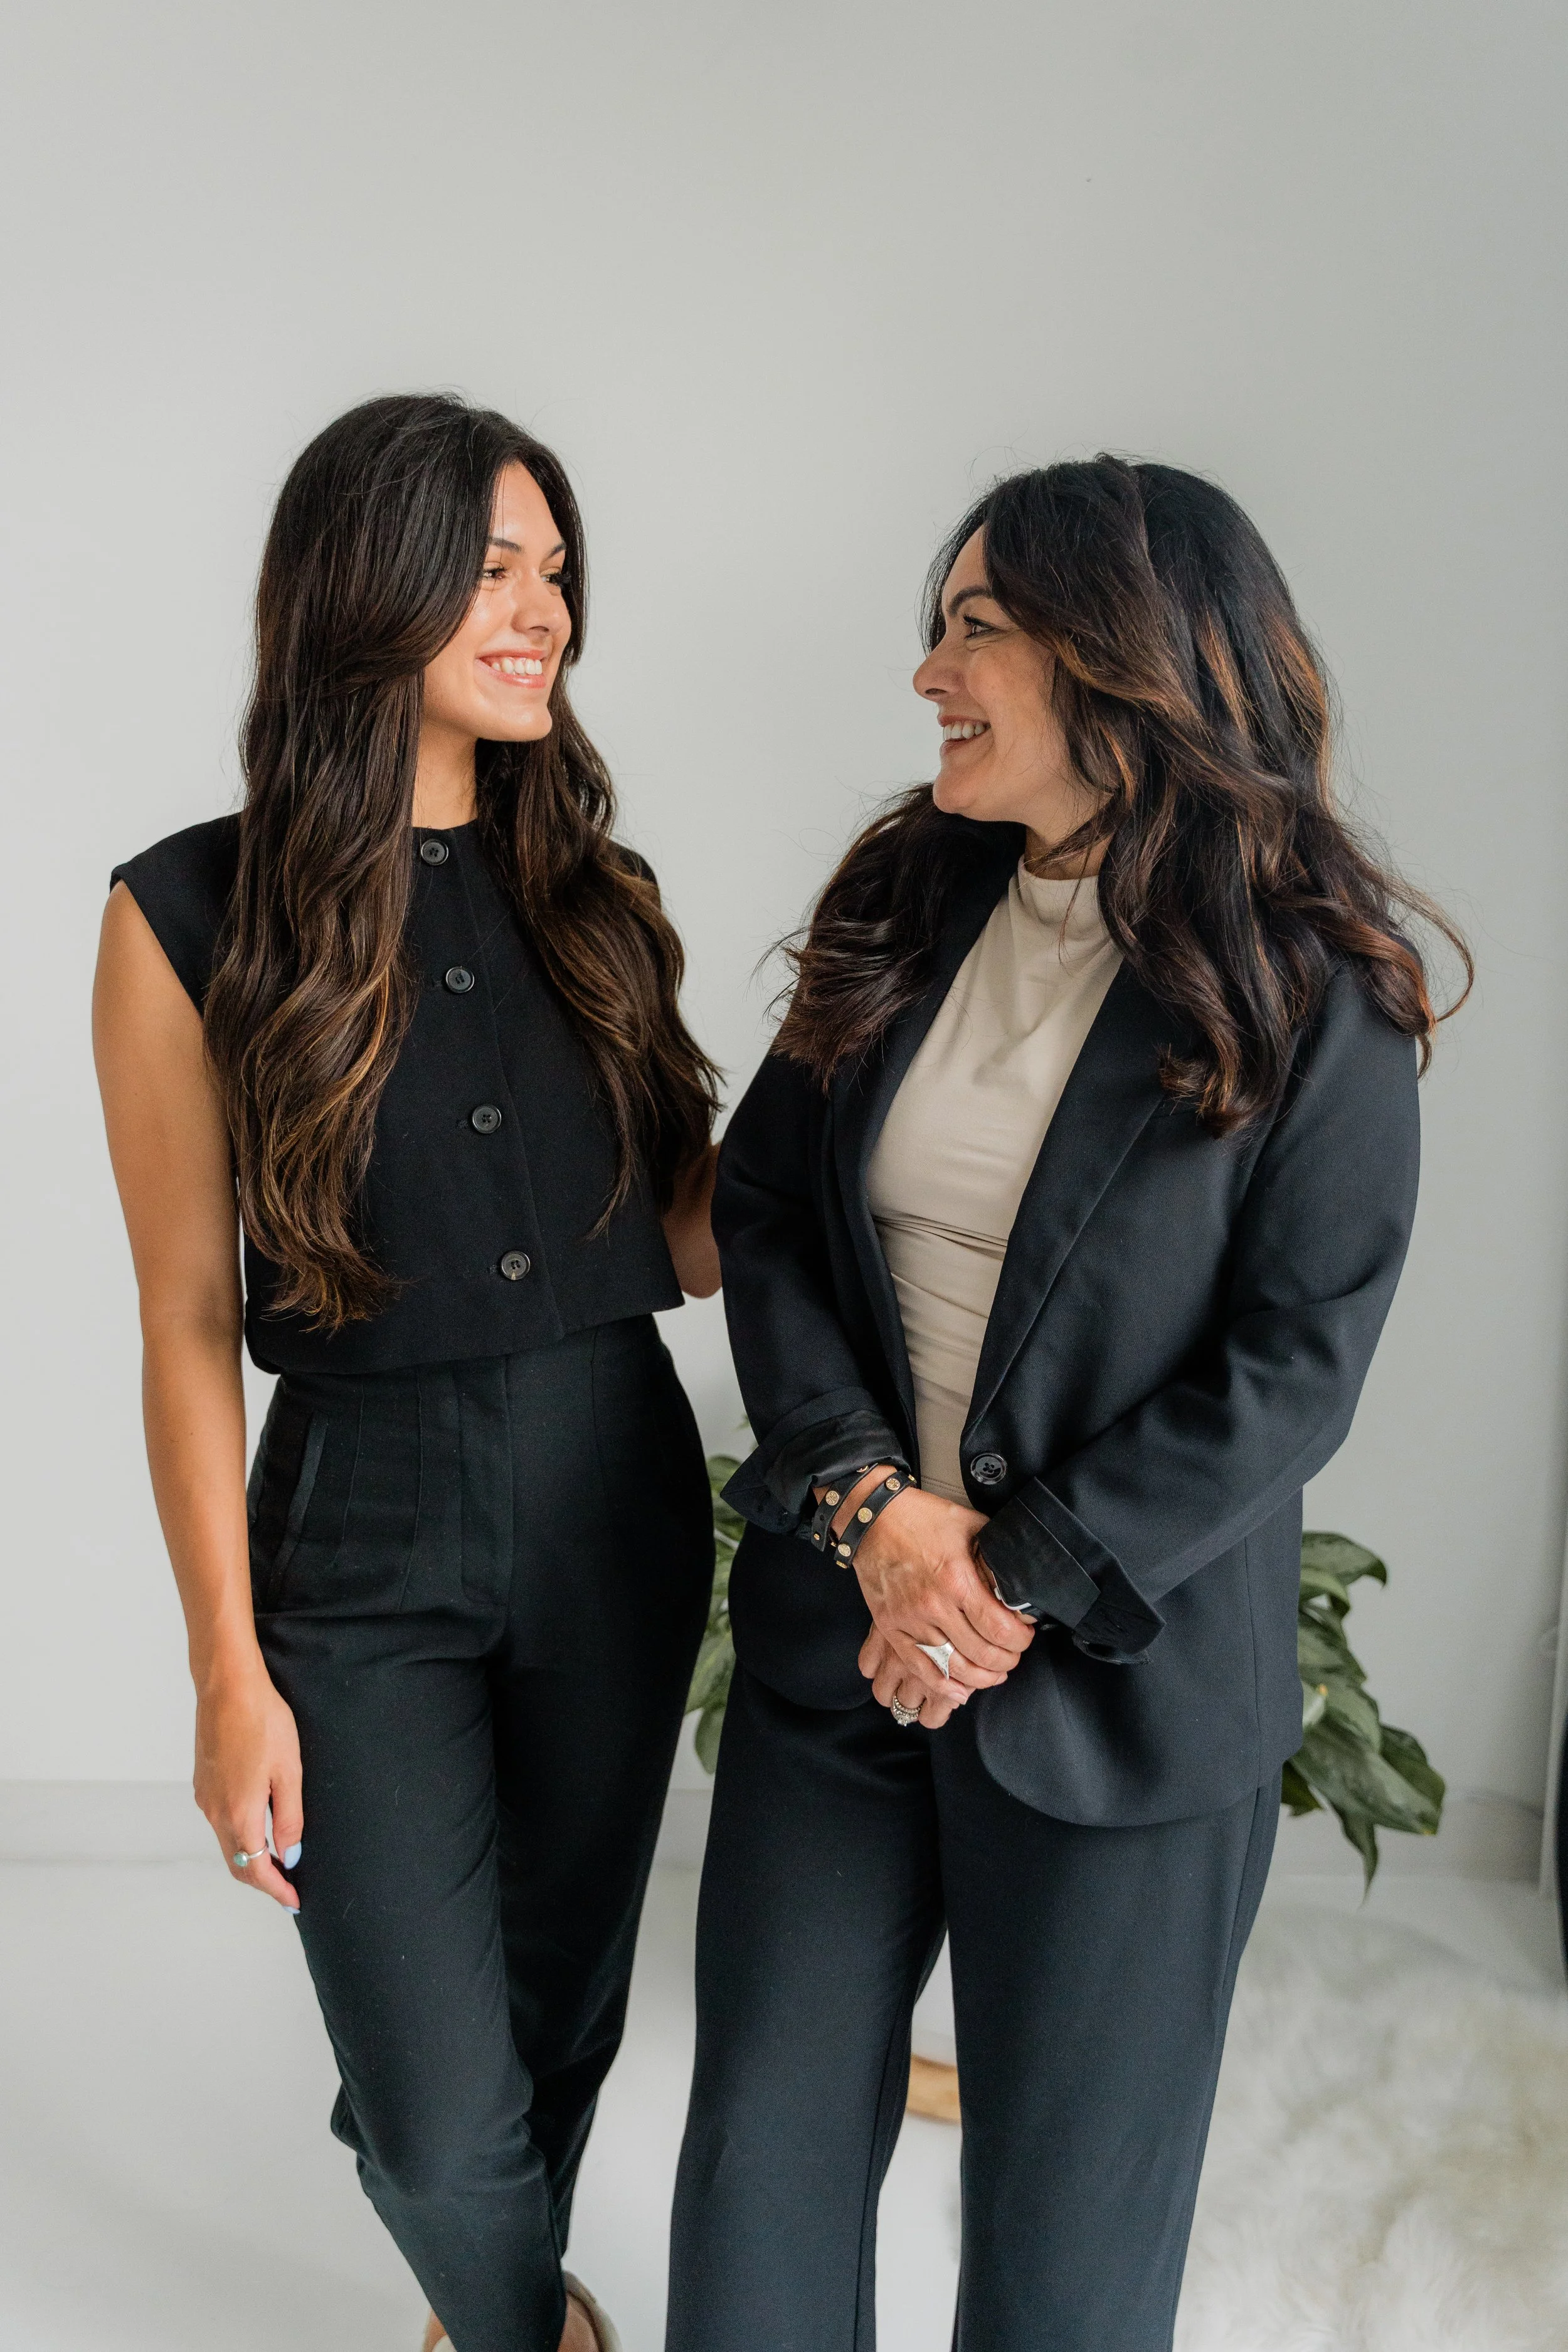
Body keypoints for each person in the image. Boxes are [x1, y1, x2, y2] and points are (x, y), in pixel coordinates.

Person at [667, 458, 1468, 2352]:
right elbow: (768, 1205)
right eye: (937, 622)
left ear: (1125, 661)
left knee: (1065, 2260)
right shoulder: (904, 893)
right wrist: (873, 1512)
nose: (928, 670)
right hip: (843, 1653)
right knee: (758, 2170)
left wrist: (1001, 1579)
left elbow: (1296, 1360)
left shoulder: (1310, 989)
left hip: (1114, 1696)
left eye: (974, 626)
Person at [93, 393, 721, 2352]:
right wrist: (224, 1665)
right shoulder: (181, 914)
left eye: (554, 570)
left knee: (562, 2006)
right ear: (363, 584)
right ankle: (524, 2314)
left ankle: (486, 2297)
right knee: (446, 2117)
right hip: (356, 1528)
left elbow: (680, 1233)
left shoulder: (589, 895)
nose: (539, 608)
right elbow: (189, 1318)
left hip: (614, 1486)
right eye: (489, 565)